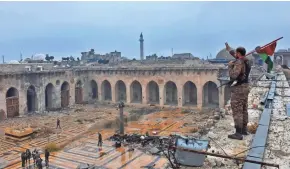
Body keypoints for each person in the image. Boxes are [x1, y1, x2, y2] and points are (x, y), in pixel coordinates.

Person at [226, 42, 251, 140]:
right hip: (246, 86)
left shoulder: (239, 62)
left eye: (236, 53)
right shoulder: (247, 60)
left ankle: (238, 133)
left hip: (239, 89)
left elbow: (233, 76)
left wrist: (230, 66)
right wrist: (229, 50)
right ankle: (244, 130)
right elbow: (237, 56)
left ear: (239, 54)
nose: (235, 55)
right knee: (244, 109)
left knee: (237, 110)